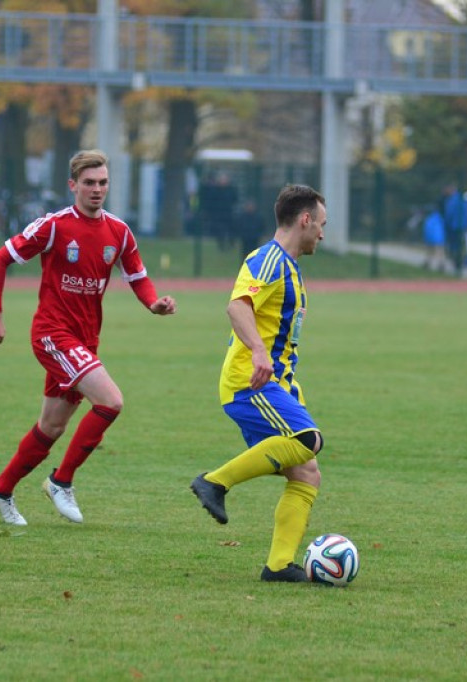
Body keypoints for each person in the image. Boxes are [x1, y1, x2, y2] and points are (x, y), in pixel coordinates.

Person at [0, 149, 177, 526]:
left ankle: (1, 490)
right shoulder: (54, 226)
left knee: (51, 426)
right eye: (89, 183)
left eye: (103, 182)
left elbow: (137, 276)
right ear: (73, 185)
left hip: (86, 340)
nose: (97, 189)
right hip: (53, 333)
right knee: (111, 401)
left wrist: (153, 304)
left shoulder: (118, 231)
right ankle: (61, 481)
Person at [190, 184, 327, 583]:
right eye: (321, 224)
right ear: (305, 220)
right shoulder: (269, 260)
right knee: (308, 438)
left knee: (307, 473)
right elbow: (237, 305)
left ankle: (279, 566)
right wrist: (259, 352)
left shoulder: (289, 266)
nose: (322, 232)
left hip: (275, 384)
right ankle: (214, 482)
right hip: (249, 381)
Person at [442, 184, 467, 275]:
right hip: (461, 226)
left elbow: (449, 214)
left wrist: (447, 224)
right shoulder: (462, 200)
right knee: (459, 247)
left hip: (454, 227)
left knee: (454, 247)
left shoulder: (452, 201)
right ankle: (458, 266)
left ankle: (456, 265)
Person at [235, 198, 265, 263]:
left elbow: (262, 228)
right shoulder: (242, 217)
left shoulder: (258, 217)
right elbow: (238, 228)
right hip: (245, 241)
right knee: (244, 257)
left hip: (255, 241)